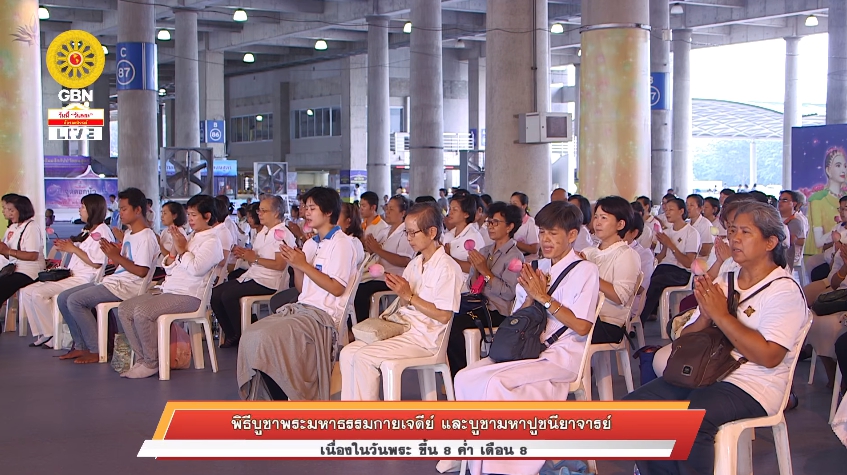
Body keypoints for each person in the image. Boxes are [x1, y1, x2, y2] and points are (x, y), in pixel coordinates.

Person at [624, 201, 808, 475]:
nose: (735, 238)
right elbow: (686, 338)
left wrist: (722, 316)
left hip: (753, 385)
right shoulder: (727, 280)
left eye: (745, 232)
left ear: (770, 242)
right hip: (707, 374)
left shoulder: (783, 291)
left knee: (692, 419)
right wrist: (706, 317)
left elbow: (769, 357)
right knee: (633, 409)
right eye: (732, 230)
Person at [454, 201, 600, 475]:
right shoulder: (536, 267)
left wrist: (545, 298)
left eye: (553, 234)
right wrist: (533, 295)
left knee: (496, 383)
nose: (545, 240)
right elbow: (519, 316)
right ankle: (476, 460)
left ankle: (508, 468)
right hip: (528, 348)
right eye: (542, 232)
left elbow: (581, 327)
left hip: (560, 355)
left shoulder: (585, 270)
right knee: (464, 377)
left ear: (571, 235)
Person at [237, 187, 358, 401]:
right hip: (303, 308)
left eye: (312, 208)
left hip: (323, 316)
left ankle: (286, 396)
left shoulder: (342, 244)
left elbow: (337, 288)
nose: (306, 213)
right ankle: (269, 398)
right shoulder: (311, 244)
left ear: (328, 211)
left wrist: (304, 264)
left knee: (266, 338)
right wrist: (297, 266)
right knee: (251, 334)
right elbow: (302, 289)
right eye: (305, 208)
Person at [341, 203, 464, 400]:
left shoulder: (447, 268)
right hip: (404, 328)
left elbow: (444, 315)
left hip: (425, 337)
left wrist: (409, 295)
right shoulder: (415, 264)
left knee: (364, 357)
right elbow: (406, 304)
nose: (409, 238)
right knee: (348, 353)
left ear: (432, 232)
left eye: (413, 233)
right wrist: (400, 292)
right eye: (406, 232)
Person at [116, 195, 224, 379]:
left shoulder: (213, 241)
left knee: (142, 312)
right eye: (188, 214)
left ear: (207, 216)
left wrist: (182, 249)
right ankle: (143, 359)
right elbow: (169, 265)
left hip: (190, 296)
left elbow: (196, 269)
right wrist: (175, 249)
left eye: (193, 215)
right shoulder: (191, 236)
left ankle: (152, 362)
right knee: (125, 308)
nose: (189, 219)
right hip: (170, 290)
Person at [57, 188, 159, 364]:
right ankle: (81, 345)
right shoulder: (129, 233)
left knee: (75, 301)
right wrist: (114, 255)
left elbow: (141, 271)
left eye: (124, 209)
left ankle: (97, 349)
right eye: (119, 208)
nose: (120, 213)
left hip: (127, 286)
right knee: (63, 297)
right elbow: (123, 265)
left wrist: (116, 256)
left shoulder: (146, 236)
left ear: (138, 210)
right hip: (115, 280)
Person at [21, 194, 114, 348]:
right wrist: (68, 247)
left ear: (93, 209)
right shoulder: (88, 230)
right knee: (27, 291)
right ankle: (45, 332)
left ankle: (54, 334)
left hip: (84, 278)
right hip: (72, 274)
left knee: (39, 293)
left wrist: (72, 249)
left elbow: (97, 263)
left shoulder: (103, 231)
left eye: (83, 207)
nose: (80, 210)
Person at [446, 202, 524, 377]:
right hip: (477, 304)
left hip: (497, 311)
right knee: (448, 320)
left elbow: (509, 292)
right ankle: (460, 375)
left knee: (457, 326)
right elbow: (471, 286)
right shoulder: (485, 250)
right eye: (489, 222)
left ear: (510, 226)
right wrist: (477, 269)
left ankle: (462, 376)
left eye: (496, 223)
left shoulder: (515, 256)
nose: (490, 226)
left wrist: (485, 271)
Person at [211, 195, 295, 348]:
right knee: (215, 294)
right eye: (259, 210)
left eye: (264, 211)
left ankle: (242, 333)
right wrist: (244, 253)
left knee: (228, 296)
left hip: (269, 281)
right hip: (254, 276)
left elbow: (279, 265)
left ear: (276, 213)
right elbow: (255, 257)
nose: (260, 214)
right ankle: (234, 332)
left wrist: (254, 258)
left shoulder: (281, 233)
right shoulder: (263, 232)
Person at [581, 196, 641, 344]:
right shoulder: (588, 252)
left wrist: (588, 270)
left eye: (604, 218)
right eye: (596, 217)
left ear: (620, 224)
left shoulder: (626, 254)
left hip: (607, 322)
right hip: (582, 315)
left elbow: (620, 297)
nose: (598, 223)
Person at [639, 197, 700, 323]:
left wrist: (671, 244)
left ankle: (640, 319)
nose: (667, 213)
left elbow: (688, 262)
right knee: (646, 279)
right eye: (666, 210)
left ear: (681, 211)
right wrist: (664, 246)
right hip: (664, 268)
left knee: (655, 281)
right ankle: (636, 316)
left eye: (671, 210)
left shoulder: (691, 233)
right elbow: (660, 258)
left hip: (682, 272)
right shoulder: (666, 232)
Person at [356, 195, 415, 323]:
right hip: (376, 276)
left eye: (391, 209)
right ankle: (353, 324)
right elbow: (375, 251)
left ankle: (363, 324)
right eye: (387, 208)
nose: (387, 212)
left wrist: (378, 250)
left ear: (403, 213)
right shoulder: (384, 230)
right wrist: (369, 246)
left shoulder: (405, 233)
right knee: (354, 286)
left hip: (392, 278)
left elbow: (405, 261)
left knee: (362, 291)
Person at [0, 195, 44, 306]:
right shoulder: (12, 227)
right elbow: (8, 254)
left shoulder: (31, 227)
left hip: (28, 272)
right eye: (5, 209)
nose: (7, 213)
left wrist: (7, 251)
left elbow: (32, 255)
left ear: (21, 210)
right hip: (12, 269)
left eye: (11, 210)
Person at [807, 147, 847, 257]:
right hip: (826, 255)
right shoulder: (818, 200)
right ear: (828, 170)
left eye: (845, 166)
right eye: (838, 165)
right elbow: (819, 242)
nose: (843, 170)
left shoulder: (844, 197)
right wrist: (839, 231)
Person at [443, 191, 486, 287]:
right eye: (450, 209)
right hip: (447, 284)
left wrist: (449, 257)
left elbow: (476, 267)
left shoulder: (473, 236)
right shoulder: (448, 235)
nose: (450, 212)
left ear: (466, 214)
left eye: (455, 209)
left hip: (464, 288)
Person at [625, 205, 654, 293]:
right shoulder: (605, 248)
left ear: (634, 233)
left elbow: (639, 289)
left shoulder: (643, 254)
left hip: (626, 304)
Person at [779, 190, 806, 273]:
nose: (780, 202)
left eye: (785, 200)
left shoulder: (796, 220)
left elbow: (790, 242)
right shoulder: (775, 218)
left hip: (788, 256)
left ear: (794, 204)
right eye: (779, 200)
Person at [510, 192, 540, 256]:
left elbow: (534, 249)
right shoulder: (509, 220)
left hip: (526, 260)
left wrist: (513, 242)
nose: (511, 207)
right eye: (511, 203)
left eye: (515, 204)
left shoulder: (530, 222)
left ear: (524, 206)